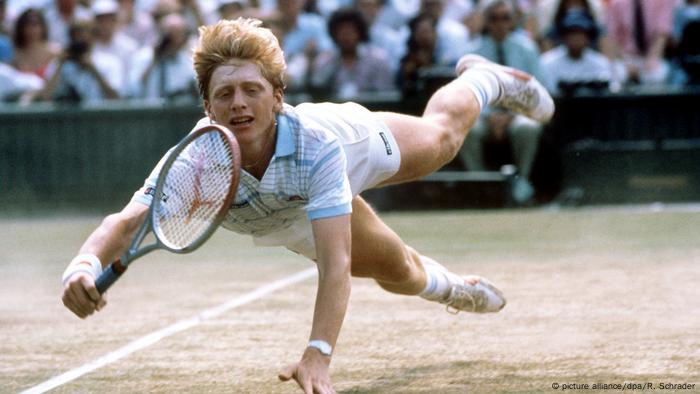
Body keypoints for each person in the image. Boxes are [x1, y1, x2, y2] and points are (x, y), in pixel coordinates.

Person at [61, 17, 553, 393]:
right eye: (225, 94)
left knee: (441, 142)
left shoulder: (317, 144)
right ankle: (451, 289)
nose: (238, 104)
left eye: (252, 90)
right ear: (207, 108)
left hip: (346, 149)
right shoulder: (194, 161)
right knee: (396, 272)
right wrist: (83, 266)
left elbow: (333, 264)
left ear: (277, 98)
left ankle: (486, 80)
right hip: (282, 215)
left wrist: (318, 352)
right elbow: (126, 222)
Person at [458, 0, 544, 204]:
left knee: (527, 128)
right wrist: (489, 116)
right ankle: (480, 184)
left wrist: (510, 115)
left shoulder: (527, 49)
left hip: (519, 114)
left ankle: (522, 183)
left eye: (505, 17)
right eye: (494, 18)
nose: (500, 23)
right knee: (467, 131)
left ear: (512, 21)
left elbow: (539, 89)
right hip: (482, 114)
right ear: (487, 22)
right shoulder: (472, 52)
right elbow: (465, 92)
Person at [308, 7, 394, 99]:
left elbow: (385, 95)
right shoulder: (326, 61)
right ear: (334, 33)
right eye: (341, 31)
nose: (346, 36)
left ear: (360, 31)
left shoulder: (377, 60)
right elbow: (317, 89)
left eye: (351, 30)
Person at [540, 10, 612, 96]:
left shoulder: (601, 63)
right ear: (563, 36)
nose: (576, 38)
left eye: (580, 33)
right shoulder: (547, 62)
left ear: (588, 36)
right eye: (572, 33)